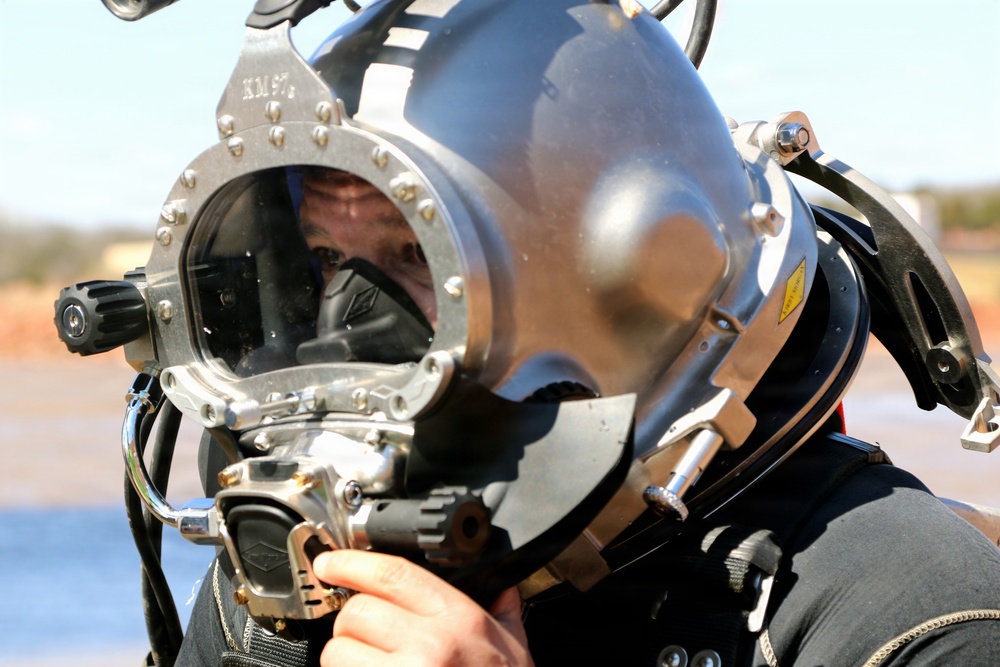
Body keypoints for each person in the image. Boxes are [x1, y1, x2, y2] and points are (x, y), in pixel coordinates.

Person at [56, 1, 1000, 665]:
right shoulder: (298, 581)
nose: (347, 326)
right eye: (323, 264)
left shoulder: (912, 617)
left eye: (411, 257)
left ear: (621, 277)